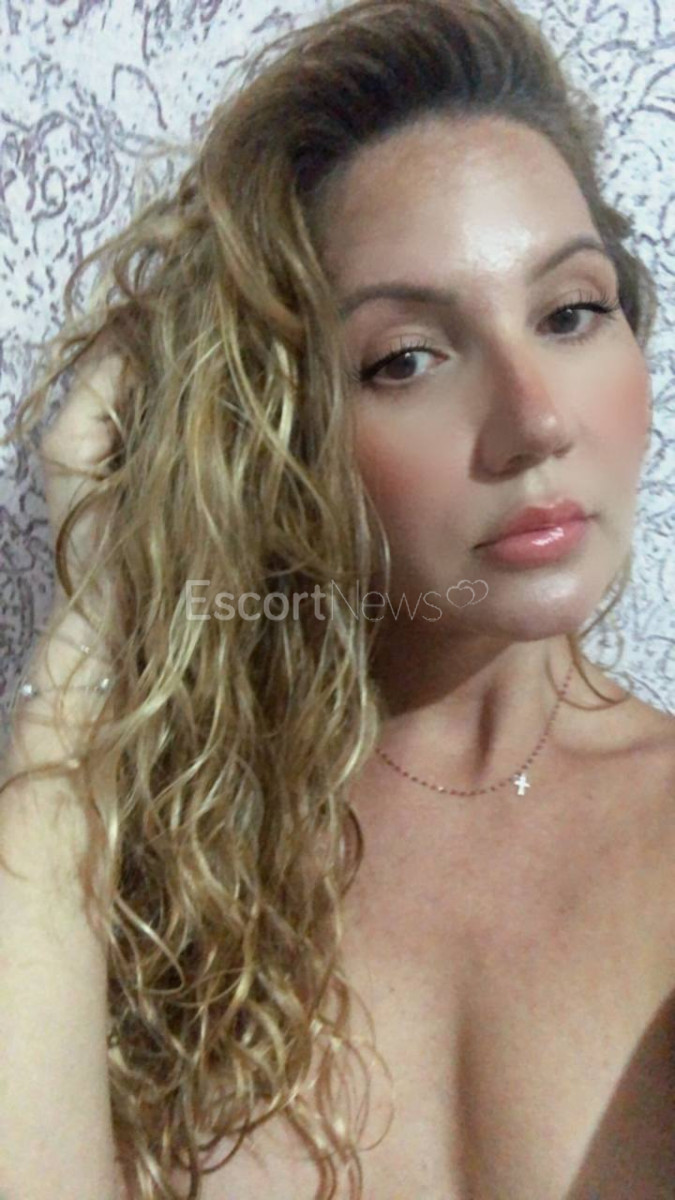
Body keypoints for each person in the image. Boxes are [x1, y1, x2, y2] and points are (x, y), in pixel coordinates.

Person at [1, 0, 674, 1196]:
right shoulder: (164, 869)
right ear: (289, 426)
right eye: (407, 357)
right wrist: (99, 605)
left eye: (572, 312)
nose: (536, 420)